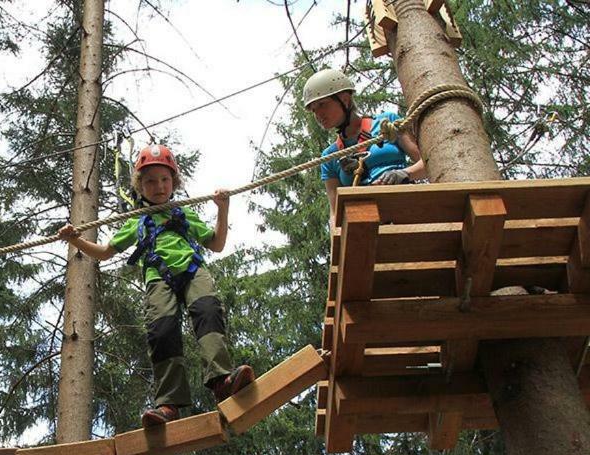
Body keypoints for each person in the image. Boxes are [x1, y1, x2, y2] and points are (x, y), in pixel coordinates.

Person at [58, 144, 255, 427]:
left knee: (208, 311)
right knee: (162, 332)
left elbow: (217, 243)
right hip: (158, 278)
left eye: (164, 179)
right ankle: (168, 404)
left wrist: (223, 209)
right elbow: (104, 252)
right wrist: (74, 239)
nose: (159, 186)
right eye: (150, 181)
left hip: (192, 270)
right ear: (140, 186)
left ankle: (222, 380)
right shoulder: (137, 221)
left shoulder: (183, 214)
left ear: (174, 182)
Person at [303, 68, 426, 213]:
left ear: (344, 100)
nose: (317, 114)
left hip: (404, 204)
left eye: (322, 104)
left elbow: (427, 163)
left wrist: (404, 173)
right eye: (313, 110)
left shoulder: (387, 124)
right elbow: (335, 211)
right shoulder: (330, 157)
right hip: (366, 220)